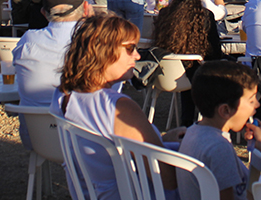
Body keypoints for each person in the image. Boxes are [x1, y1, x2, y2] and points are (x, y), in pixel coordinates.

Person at [51, 13, 185, 200]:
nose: (137, 55)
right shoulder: (119, 108)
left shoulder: (64, 95)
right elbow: (167, 179)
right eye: (130, 49)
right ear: (103, 51)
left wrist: (161, 139)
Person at [178, 61, 261, 200]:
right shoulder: (219, 148)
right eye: (251, 101)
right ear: (226, 110)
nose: (257, 104)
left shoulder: (194, 132)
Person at [13, 0, 91, 146]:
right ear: (85, 9)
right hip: (84, 139)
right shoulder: (94, 44)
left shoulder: (28, 40)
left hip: (37, 137)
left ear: (43, 12)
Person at [153, 0, 224, 126]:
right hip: (196, 75)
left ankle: (187, 120)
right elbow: (215, 53)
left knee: (189, 64)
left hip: (166, 73)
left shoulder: (165, 14)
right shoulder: (206, 16)